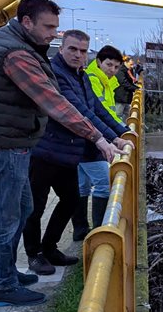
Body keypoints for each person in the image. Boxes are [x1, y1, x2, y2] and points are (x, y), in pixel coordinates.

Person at [0, 0, 120, 307]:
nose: (54, 33)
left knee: (23, 209)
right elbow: (54, 103)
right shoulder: (16, 54)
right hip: (6, 145)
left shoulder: (9, 42)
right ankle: (2, 286)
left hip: (12, 140)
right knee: (6, 217)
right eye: (49, 27)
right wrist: (99, 138)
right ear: (27, 22)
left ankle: (8, 272)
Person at [23, 30, 132, 275]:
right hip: (45, 150)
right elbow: (81, 111)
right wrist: (106, 138)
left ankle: (49, 247)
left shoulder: (80, 75)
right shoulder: (55, 74)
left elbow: (98, 109)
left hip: (67, 153)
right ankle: (34, 255)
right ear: (61, 48)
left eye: (83, 51)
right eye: (73, 49)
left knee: (71, 199)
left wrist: (121, 133)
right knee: (35, 207)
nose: (78, 55)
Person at [73, 46, 128, 234]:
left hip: (88, 138)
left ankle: (81, 229)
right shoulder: (93, 80)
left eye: (116, 67)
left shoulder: (103, 81)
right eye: (109, 65)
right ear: (98, 62)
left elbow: (105, 112)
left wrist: (120, 131)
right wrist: (116, 136)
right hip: (91, 140)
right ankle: (100, 232)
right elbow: (97, 113)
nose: (112, 70)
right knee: (104, 183)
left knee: (82, 186)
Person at [113, 55, 139, 119]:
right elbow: (124, 83)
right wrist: (135, 88)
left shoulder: (128, 70)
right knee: (118, 115)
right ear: (126, 62)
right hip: (121, 97)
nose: (132, 66)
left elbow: (129, 82)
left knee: (126, 115)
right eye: (131, 64)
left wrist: (136, 88)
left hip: (126, 97)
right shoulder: (120, 70)